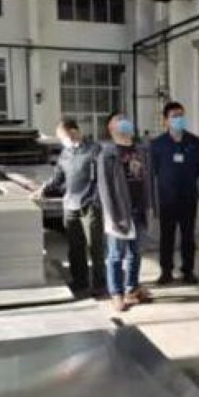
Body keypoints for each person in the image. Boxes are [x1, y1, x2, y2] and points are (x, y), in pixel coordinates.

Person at [32, 119, 105, 296]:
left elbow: (102, 179)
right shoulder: (65, 153)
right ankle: (80, 282)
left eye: (63, 137)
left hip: (90, 205)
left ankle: (100, 284)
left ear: (74, 132)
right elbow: (58, 178)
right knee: (75, 248)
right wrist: (43, 189)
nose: (63, 141)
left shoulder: (94, 150)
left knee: (95, 247)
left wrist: (97, 200)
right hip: (71, 206)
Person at [98, 113, 154, 312]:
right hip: (120, 212)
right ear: (111, 128)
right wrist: (112, 217)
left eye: (125, 119)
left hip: (139, 208)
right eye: (118, 120)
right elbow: (104, 189)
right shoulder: (107, 155)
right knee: (116, 255)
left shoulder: (141, 150)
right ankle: (116, 293)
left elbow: (148, 180)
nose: (124, 122)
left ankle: (132, 288)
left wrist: (150, 206)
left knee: (135, 252)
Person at [151, 101, 199, 285]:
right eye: (174, 116)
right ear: (165, 120)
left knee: (188, 236)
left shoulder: (194, 142)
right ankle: (166, 271)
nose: (178, 119)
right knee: (167, 236)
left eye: (181, 115)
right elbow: (155, 169)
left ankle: (188, 270)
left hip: (188, 196)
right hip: (167, 198)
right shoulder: (157, 144)